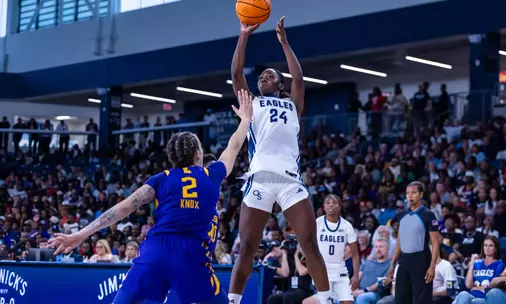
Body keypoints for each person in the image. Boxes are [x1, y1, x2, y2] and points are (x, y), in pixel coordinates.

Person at [47, 89, 254, 304]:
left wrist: (81, 234)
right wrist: (245, 120)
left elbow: (123, 208)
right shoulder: (212, 174)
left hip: (156, 250)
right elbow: (233, 147)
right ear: (199, 154)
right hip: (191, 255)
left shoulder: (160, 179)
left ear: (172, 158)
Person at [228, 16, 332, 304]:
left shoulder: (293, 105)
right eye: (261, 77)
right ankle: (233, 301)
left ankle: (326, 301)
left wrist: (285, 43)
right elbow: (236, 73)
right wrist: (243, 35)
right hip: (260, 178)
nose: (263, 78)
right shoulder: (251, 102)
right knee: (247, 246)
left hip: (289, 180)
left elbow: (299, 78)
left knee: (309, 243)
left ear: (280, 83)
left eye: (269, 75)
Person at [303, 194, 359, 304]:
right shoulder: (317, 223)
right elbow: (307, 245)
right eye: (328, 203)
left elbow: (355, 254)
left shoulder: (347, 225)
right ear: (323, 207)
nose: (331, 205)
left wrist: (356, 276)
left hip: (340, 271)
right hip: (322, 271)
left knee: (348, 302)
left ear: (340, 207)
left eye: (334, 203)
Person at [390, 181, 440, 304]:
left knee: (420, 300)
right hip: (404, 261)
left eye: (413, 193)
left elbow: (435, 243)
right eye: (407, 193)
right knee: (401, 299)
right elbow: (399, 242)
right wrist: (392, 264)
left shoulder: (428, 215)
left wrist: (432, 266)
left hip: (421, 261)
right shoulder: (402, 215)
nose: (410, 196)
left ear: (421, 194)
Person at [454, 236, 505, 303]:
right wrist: (472, 263)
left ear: (495, 249)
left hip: (484, 298)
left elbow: (491, 287)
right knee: (463, 295)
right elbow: (468, 285)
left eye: (491, 246)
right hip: (470, 296)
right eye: (485, 245)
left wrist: (474, 288)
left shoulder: (499, 265)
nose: (487, 248)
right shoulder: (476, 264)